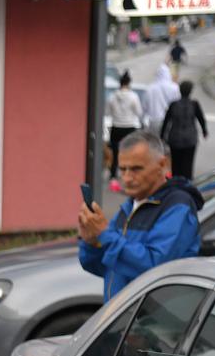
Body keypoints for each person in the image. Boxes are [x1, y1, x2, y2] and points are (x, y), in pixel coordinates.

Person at [78, 129, 202, 303]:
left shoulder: (178, 205)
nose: (127, 178)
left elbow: (154, 268)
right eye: (122, 169)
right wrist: (91, 243)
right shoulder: (130, 206)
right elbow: (106, 268)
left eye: (136, 169)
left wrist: (105, 234)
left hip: (158, 324)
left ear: (162, 165)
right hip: (122, 319)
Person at [161, 81, 209, 179]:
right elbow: (201, 119)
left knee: (176, 165)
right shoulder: (194, 104)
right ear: (190, 91)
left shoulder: (173, 104)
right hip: (190, 139)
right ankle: (187, 184)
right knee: (188, 165)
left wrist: (162, 135)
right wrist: (204, 131)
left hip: (175, 139)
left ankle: (176, 184)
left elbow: (166, 121)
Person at [105, 71, 143, 191]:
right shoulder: (133, 96)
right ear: (129, 83)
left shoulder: (112, 96)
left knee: (116, 153)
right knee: (131, 152)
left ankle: (113, 177)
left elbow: (108, 112)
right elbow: (139, 112)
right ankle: (131, 176)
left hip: (116, 127)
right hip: (130, 127)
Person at [140, 63, 177, 133]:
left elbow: (144, 106)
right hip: (170, 120)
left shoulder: (150, 88)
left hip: (154, 121)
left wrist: (142, 120)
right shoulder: (174, 87)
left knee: (155, 142)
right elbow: (177, 104)